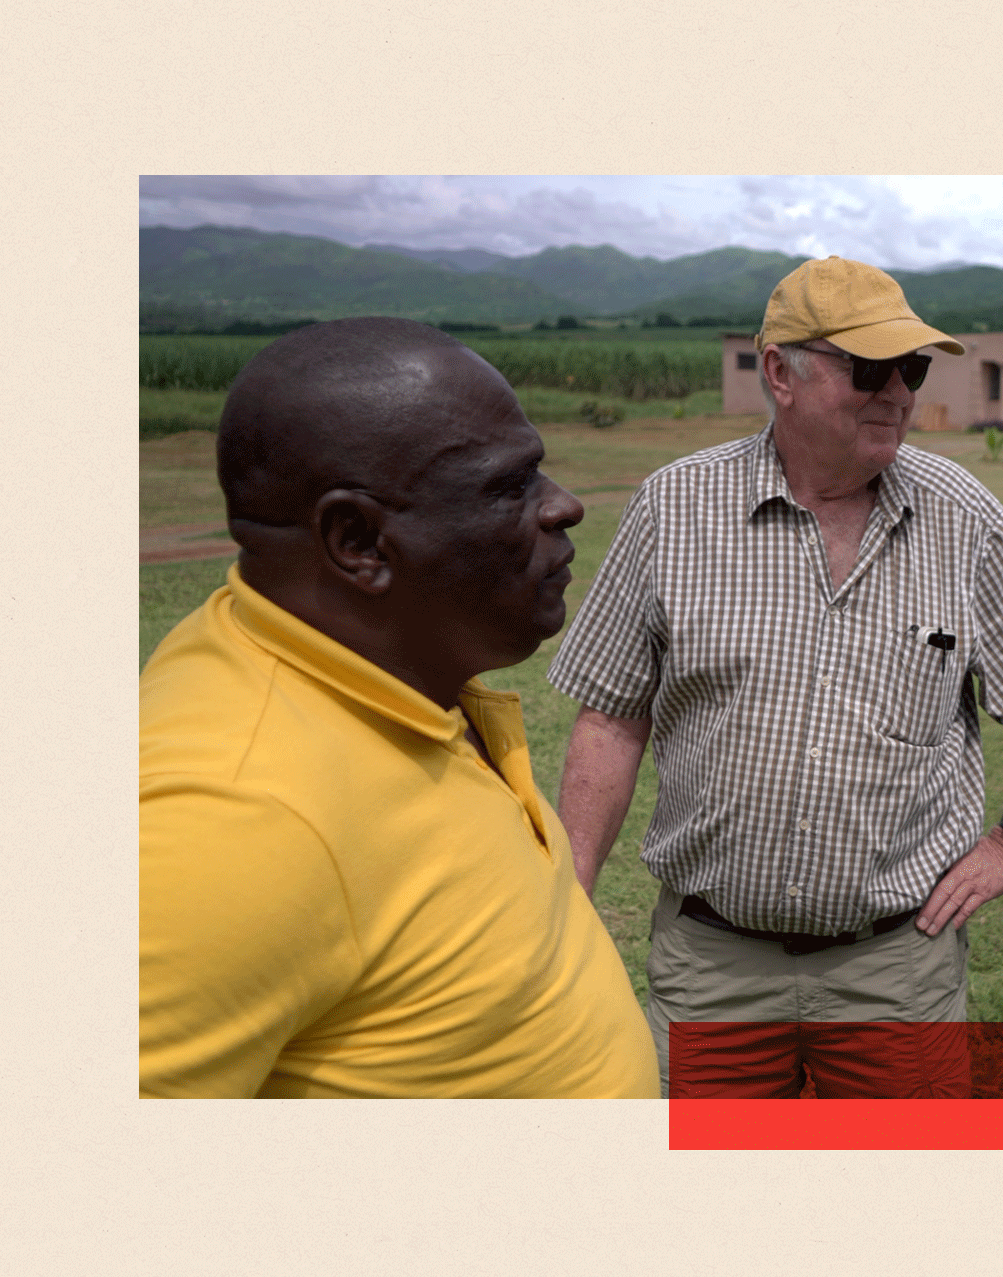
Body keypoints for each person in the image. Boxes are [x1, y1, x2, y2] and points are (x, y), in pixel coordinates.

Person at [547, 257, 1003, 1097]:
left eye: (911, 368)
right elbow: (611, 720)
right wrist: (572, 896)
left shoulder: (964, 519)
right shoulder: (675, 508)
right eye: (871, 367)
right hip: (711, 971)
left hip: (897, 974)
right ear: (781, 371)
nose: (899, 393)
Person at [139, 317, 659, 1098]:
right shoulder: (232, 816)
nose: (566, 506)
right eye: (509, 486)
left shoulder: (405, 672)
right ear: (359, 542)